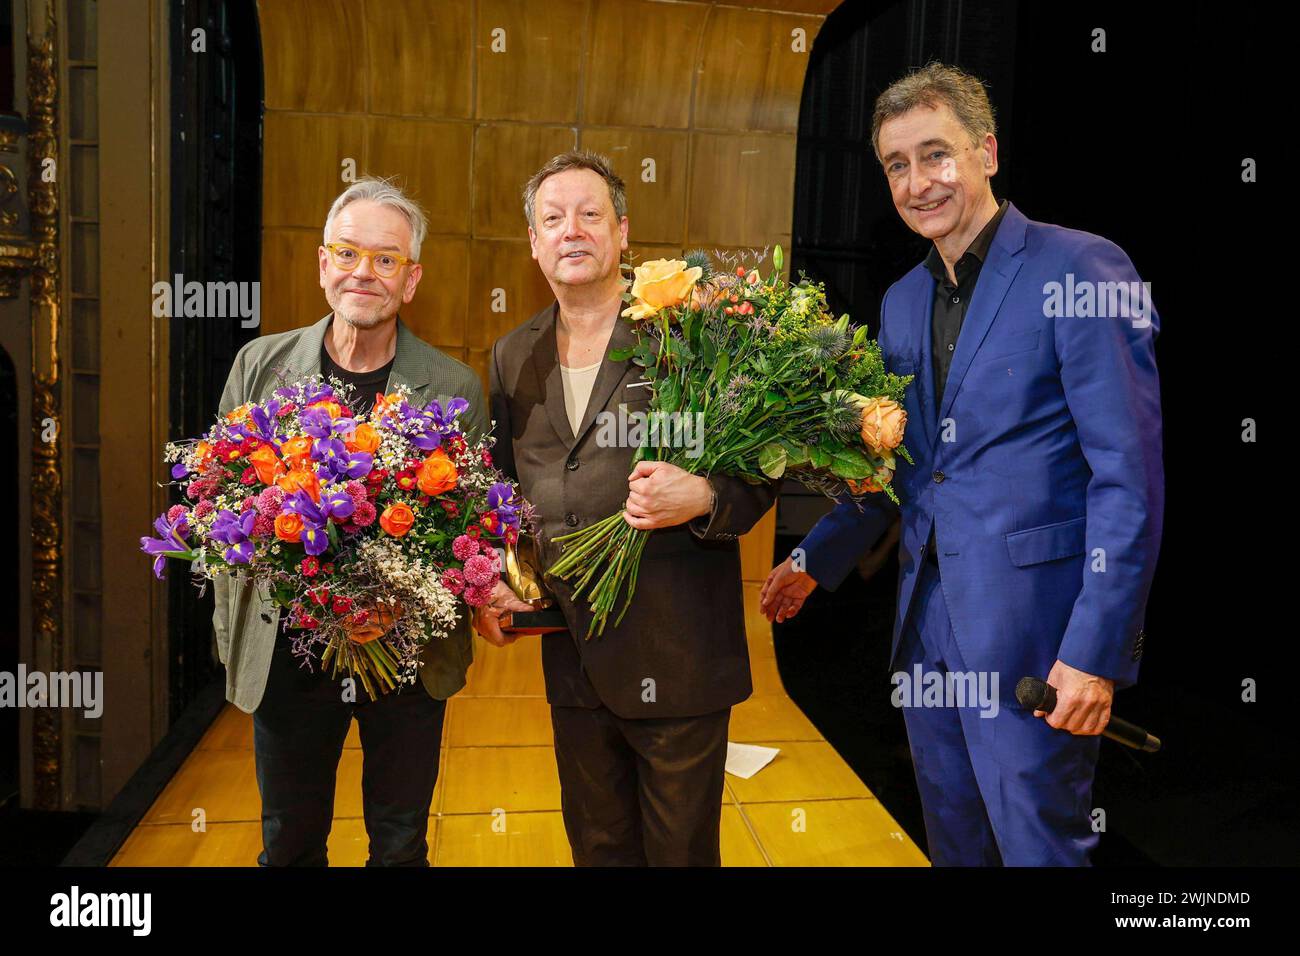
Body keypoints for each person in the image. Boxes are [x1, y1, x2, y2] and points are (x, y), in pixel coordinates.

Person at [761, 63, 1163, 866]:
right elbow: (906, 466)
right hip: (926, 631)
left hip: (1036, 634)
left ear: (987, 152)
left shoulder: (1083, 270)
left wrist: (1094, 651)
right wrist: (815, 558)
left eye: (936, 155)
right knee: (955, 843)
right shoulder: (903, 300)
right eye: (897, 165)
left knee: (1039, 848)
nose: (917, 182)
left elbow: (1130, 480)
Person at [474, 150, 778, 866]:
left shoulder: (689, 339)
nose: (570, 230)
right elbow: (501, 494)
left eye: (589, 214)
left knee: (679, 854)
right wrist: (499, 581)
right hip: (573, 654)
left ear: (621, 232)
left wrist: (704, 494)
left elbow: (764, 467)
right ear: (533, 242)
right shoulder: (510, 354)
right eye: (552, 219)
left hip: (677, 655)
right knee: (598, 848)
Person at [212, 177, 489, 866]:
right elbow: (219, 504)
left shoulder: (455, 389)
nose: (364, 271)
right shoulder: (259, 366)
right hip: (289, 653)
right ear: (322, 264)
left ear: (412, 279)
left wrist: (398, 601)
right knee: (291, 843)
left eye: (386, 258)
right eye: (348, 252)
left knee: (399, 848)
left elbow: (473, 532)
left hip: (405, 656)